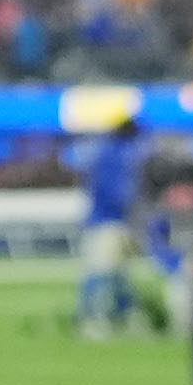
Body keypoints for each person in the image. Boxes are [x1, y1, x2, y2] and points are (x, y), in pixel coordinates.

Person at [70, 109, 154, 337]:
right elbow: (122, 193)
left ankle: (112, 319)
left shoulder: (104, 152)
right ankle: (97, 321)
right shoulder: (121, 155)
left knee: (110, 273)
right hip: (111, 222)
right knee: (105, 273)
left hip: (102, 220)